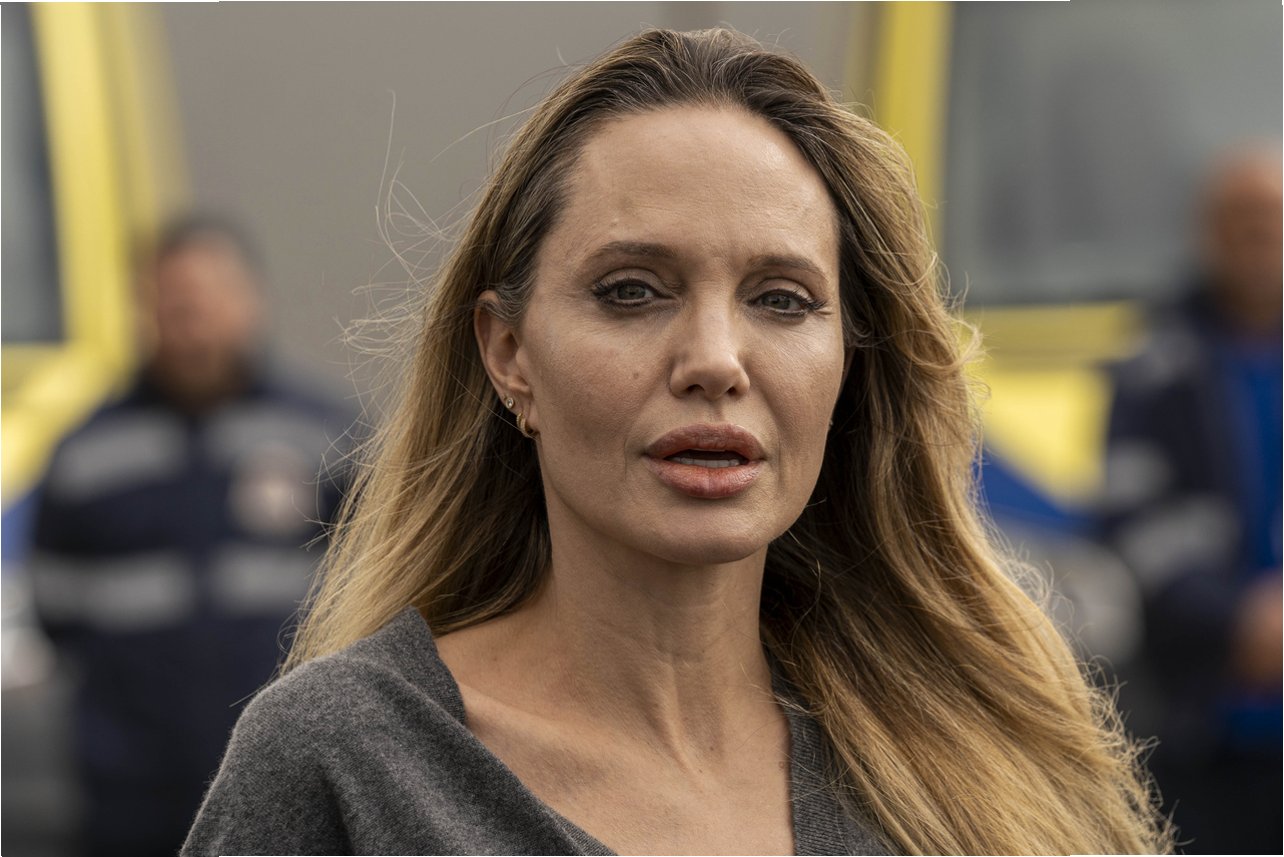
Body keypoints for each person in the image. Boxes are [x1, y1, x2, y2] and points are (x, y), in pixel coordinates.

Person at [184, 29, 1169, 855]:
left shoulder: (976, 768)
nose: (715, 360)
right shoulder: (344, 764)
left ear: (849, 362)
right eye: (632, 291)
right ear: (509, 354)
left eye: (781, 299)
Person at [29, 214, 353, 857]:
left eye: (206, 304)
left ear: (250, 301)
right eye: (173, 308)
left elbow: (375, 589)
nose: (191, 327)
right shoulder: (85, 457)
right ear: (143, 312)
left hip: (292, 789)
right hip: (131, 799)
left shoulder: (326, 437)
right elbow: (53, 610)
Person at [1102, 147, 1282, 854]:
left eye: (1272, 220)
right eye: (1242, 221)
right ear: (1209, 235)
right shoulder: (1158, 365)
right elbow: (1130, 518)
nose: (1260, 238)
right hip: (1202, 724)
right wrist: (1236, 623)